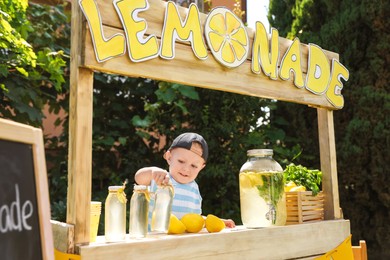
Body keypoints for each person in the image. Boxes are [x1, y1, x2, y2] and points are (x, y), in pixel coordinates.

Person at [135, 132, 235, 228]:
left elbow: (195, 219)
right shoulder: (161, 178)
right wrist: (153, 172)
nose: (186, 169)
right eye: (181, 161)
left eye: (194, 166)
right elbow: (138, 178)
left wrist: (218, 222)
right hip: (156, 241)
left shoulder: (194, 189)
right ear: (169, 157)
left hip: (182, 243)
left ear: (201, 167)